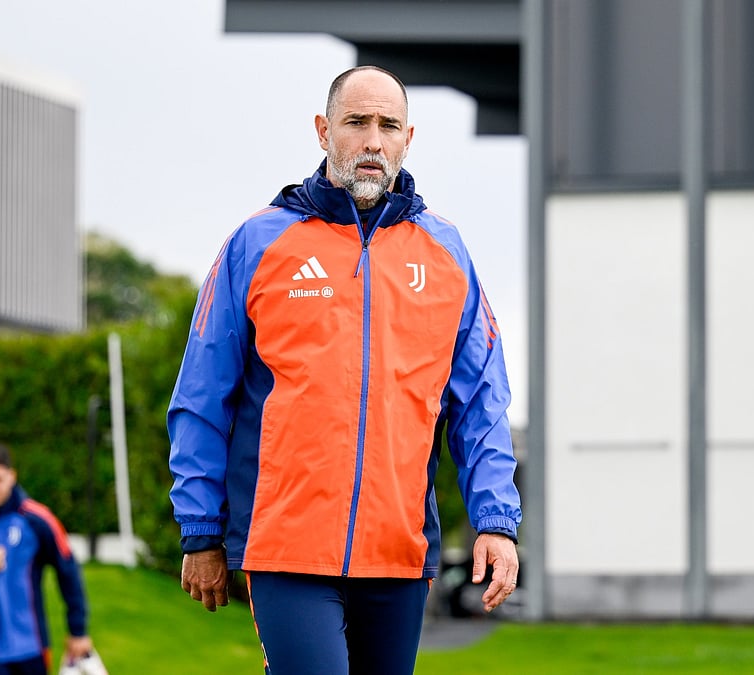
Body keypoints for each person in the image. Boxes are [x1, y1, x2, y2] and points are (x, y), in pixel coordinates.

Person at [168, 65, 523, 675]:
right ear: (323, 130)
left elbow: (480, 404)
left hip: (399, 553)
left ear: (408, 138)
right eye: (356, 122)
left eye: (387, 125)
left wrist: (495, 520)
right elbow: (202, 396)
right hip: (286, 550)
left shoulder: (446, 252)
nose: (372, 140)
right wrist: (201, 531)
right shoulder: (257, 243)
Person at [0, 442, 98, 675]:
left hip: (30, 644)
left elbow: (68, 571)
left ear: (12, 477)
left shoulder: (37, 519)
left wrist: (78, 631)